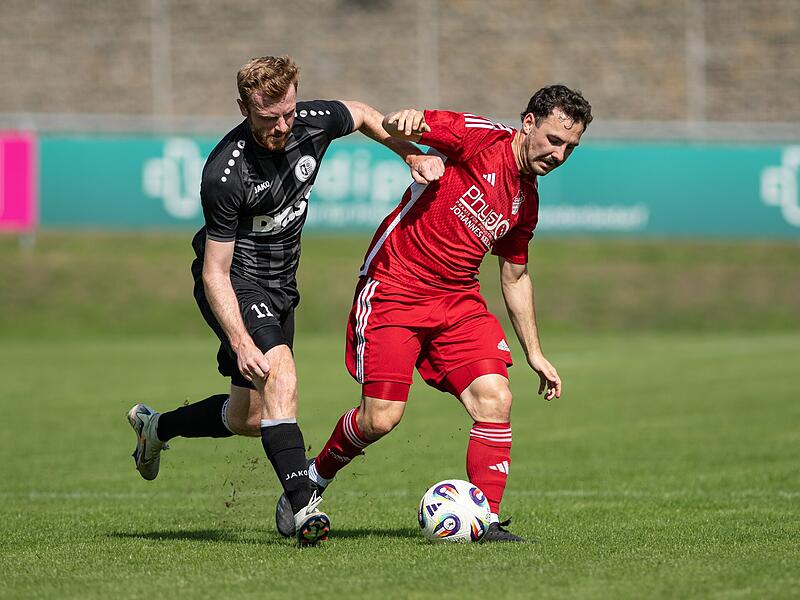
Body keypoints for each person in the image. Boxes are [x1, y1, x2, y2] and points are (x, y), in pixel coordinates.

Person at [126, 55, 444, 547]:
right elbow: (214, 272)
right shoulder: (225, 173)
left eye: (287, 112)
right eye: (267, 116)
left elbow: (358, 112)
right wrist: (239, 340)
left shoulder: (308, 122)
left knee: (249, 418)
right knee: (282, 374)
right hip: (237, 284)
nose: (280, 125)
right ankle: (303, 508)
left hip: (282, 288)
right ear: (243, 107)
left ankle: (157, 427)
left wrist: (409, 154)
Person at [275, 84, 592, 542]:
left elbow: (515, 277)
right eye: (554, 140)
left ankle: (484, 522)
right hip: (396, 287)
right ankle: (313, 479)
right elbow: (416, 122)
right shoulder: (482, 138)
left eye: (570, 147)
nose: (560, 154)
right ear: (529, 123)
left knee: (495, 399)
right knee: (380, 418)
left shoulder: (527, 201)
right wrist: (409, 133)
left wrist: (535, 353)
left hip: (458, 300)